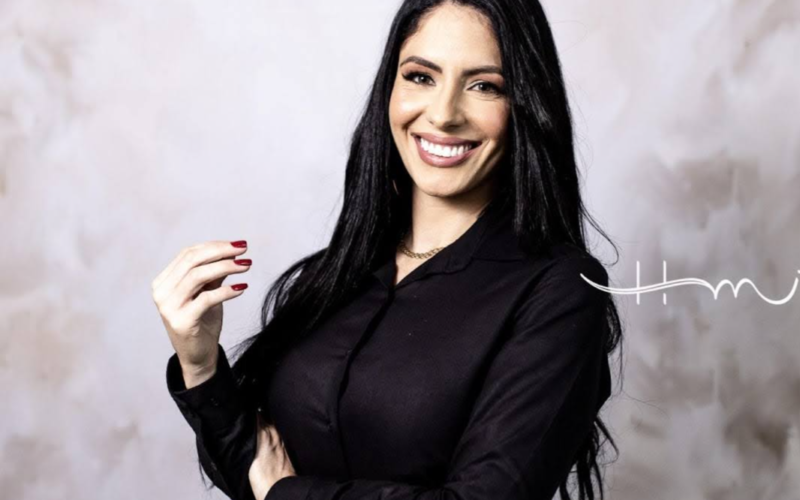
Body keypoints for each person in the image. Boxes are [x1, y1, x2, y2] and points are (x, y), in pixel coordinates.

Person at [151, 1, 624, 499]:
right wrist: (200, 365)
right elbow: (258, 472)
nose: (442, 114)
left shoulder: (561, 291)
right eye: (421, 77)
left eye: (484, 86)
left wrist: (288, 495)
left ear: (526, 103)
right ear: (389, 90)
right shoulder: (334, 276)